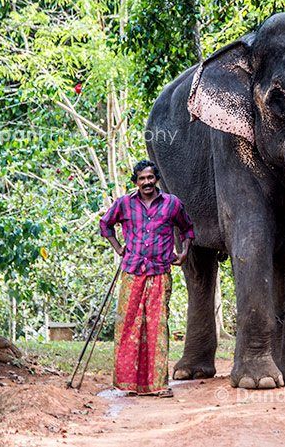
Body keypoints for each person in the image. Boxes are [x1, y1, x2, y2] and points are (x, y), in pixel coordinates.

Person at [99, 159, 194, 398]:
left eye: (150, 178)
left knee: (157, 326)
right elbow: (105, 225)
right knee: (129, 326)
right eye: (142, 178)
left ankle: (158, 385)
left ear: (156, 179)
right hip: (132, 272)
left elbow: (188, 229)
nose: (147, 182)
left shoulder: (172, 204)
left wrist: (184, 252)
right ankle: (128, 384)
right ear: (136, 181)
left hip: (160, 272)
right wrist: (118, 248)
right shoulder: (124, 204)